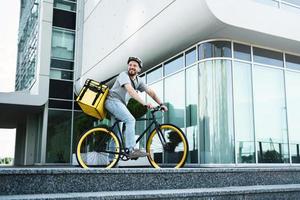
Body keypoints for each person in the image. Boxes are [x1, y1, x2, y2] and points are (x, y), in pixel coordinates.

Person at [104, 56, 168, 159]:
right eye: (130, 65)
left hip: (119, 104)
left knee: (116, 135)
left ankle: (111, 161)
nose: (132, 67)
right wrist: (144, 103)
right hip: (112, 101)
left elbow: (151, 92)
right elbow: (130, 90)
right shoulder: (123, 75)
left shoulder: (139, 81)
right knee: (130, 120)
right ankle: (131, 150)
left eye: (135, 65)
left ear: (139, 69)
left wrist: (161, 104)